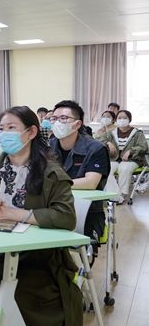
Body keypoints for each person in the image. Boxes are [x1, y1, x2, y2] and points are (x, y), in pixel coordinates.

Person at [0, 106, 81, 326]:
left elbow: (66, 216)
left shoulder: (51, 173)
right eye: (2, 129)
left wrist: (17, 214)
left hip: (36, 258)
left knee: (25, 298)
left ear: (31, 132)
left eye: (12, 128)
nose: (5, 134)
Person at [48, 100, 109, 250]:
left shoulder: (95, 148)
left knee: (77, 248)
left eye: (63, 118)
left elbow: (90, 182)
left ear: (77, 124)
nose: (57, 122)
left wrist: (54, 185)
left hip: (87, 210)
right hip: (53, 206)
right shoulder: (48, 146)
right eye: (54, 119)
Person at [103, 110, 148, 204]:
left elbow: (143, 147)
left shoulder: (137, 133)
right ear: (116, 120)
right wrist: (108, 143)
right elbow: (99, 140)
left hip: (132, 160)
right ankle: (115, 195)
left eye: (125, 118)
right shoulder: (111, 133)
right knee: (106, 168)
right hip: (114, 159)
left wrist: (131, 151)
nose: (122, 120)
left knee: (124, 167)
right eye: (119, 118)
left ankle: (123, 195)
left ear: (129, 119)